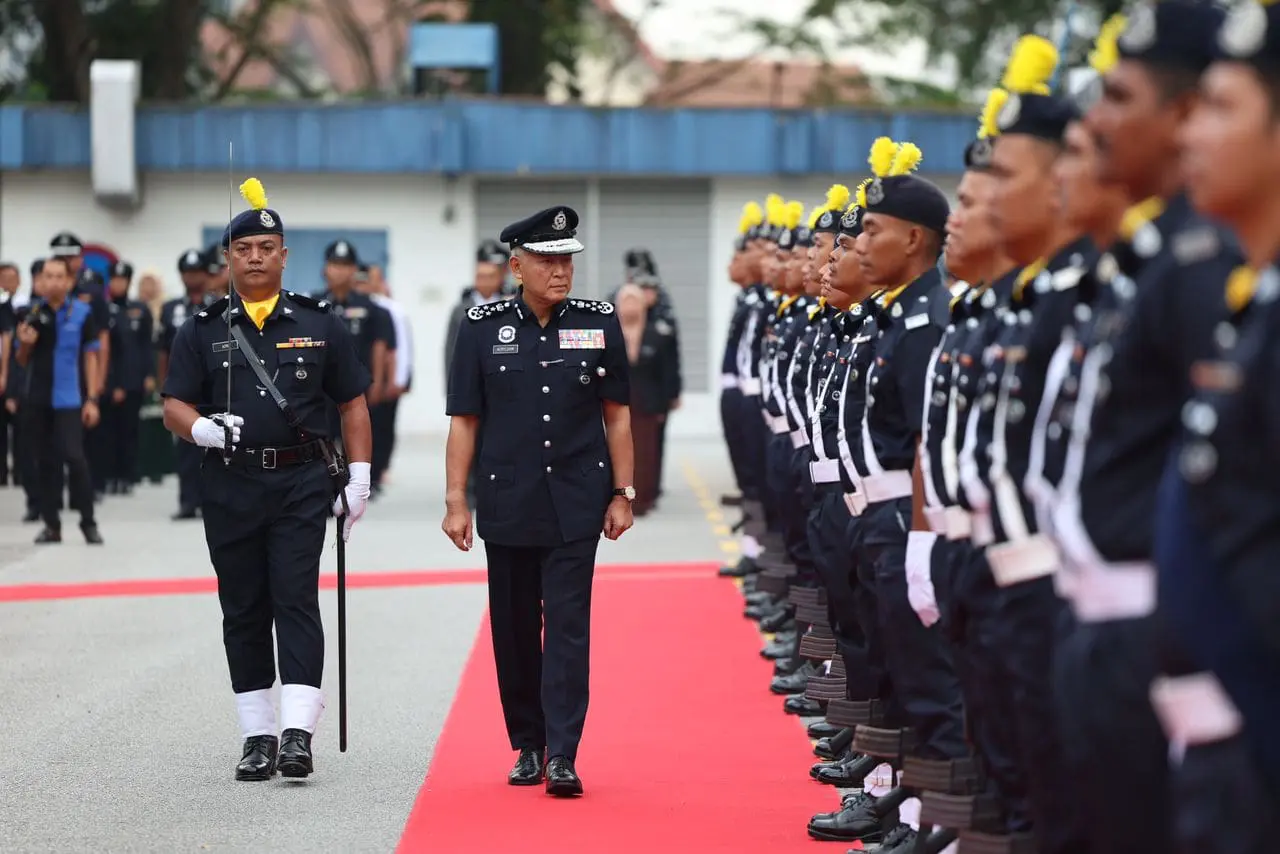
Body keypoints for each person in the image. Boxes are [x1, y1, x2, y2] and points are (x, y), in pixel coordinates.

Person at [160, 177, 373, 782]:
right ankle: (256, 734)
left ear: (284, 255)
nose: (255, 257)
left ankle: (297, 733)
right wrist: (200, 429)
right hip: (229, 485)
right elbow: (175, 402)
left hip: (301, 482)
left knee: (295, 598)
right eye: (243, 248)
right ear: (227, 258)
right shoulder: (199, 330)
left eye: (266, 247)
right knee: (244, 607)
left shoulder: (321, 323)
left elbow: (354, 403)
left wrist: (358, 478)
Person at [441, 205, 635, 797]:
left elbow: (618, 415)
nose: (560, 270)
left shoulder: (598, 322)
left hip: (578, 499)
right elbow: (465, 421)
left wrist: (624, 493)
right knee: (516, 629)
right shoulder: (480, 326)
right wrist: (455, 499)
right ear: (516, 265)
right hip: (508, 500)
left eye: (567, 259)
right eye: (547, 259)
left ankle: (564, 753)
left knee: (570, 629)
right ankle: (528, 743)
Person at [15, 256, 104, 545]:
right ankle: (51, 525)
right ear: (40, 282)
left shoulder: (81, 312)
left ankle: (88, 522)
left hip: (70, 398)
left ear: (68, 281)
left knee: (75, 459)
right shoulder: (30, 313)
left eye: (58, 276)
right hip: (37, 398)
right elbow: (21, 359)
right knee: (45, 463)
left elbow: (91, 357)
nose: (53, 281)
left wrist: (92, 399)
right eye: (47, 276)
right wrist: (25, 344)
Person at [318, 241, 395, 462]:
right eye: (335, 264)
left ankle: (356, 488)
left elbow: (379, 347)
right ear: (325, 269)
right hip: (321, 389)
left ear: (354, 270)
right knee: (322, 443)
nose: (340, 271)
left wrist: (378, 382)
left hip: (357, 388)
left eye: (346, 265)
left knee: (356, 442)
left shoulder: (372, 308)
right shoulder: (314, 305)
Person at [157, 248, 213, 520]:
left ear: (206, 274)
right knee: (186, 446)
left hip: (214, 386)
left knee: (215, 447)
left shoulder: (220, 304)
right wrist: (163, 385)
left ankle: (212, 501)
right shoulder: (170, 309)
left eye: (197, 272)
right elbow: (162, 351)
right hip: (183, 387)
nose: (193, 277)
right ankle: (188, 501)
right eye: (188, 273)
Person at [614, 283, 670, 516]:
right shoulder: (609, 333)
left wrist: (665, 402)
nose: (630, 306)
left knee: (646, 451)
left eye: (634, 300)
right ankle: (617, 495)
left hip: (646, 401)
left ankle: (643, 498)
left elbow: (665, 372)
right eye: (625, 300)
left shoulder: (657, 334)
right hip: (618, 400)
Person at [103, 261, 154, 494]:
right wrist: (112, 384)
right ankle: (110, 474)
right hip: (109, 381)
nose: (118, 284)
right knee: (109, 430)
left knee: (130, 430)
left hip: (134, 379)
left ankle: (128, 475)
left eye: (122, 280)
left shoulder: (140, 309)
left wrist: (150, 374)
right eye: (115, 280)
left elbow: (146, 346)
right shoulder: (102, 309)